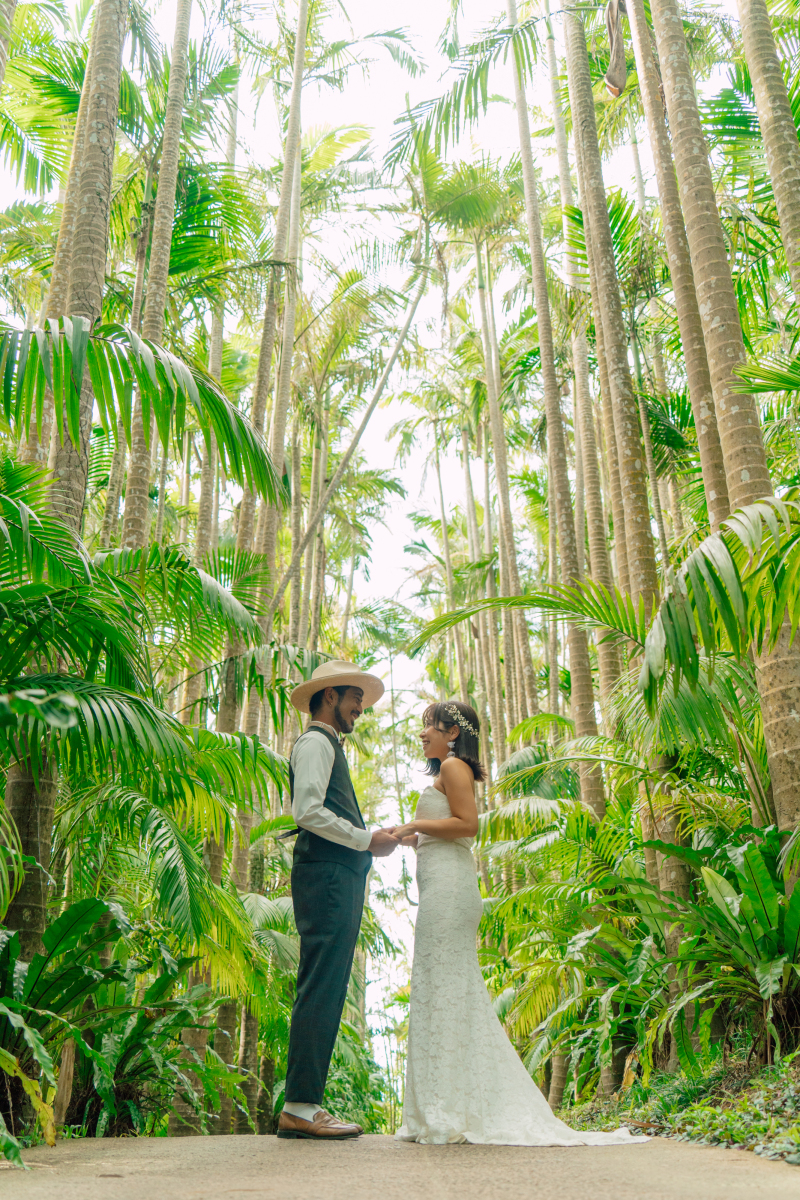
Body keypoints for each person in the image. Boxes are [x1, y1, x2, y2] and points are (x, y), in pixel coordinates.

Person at [389, 700, 649, 1147]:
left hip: (450, 890)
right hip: (440, 884)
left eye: (428, 726)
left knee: (447, 986)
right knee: (441, 987)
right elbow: (446, 825)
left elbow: (467, 825)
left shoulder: (453, 766)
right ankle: (442, 1104)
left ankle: (448, 1108)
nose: (422, 734)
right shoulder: (447, 768)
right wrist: (409, 835)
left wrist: (415, 822)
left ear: (452, 732)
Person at [277, 660, 400, 1141]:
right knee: (321, 986)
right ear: (330, 696)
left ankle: (304, 1105)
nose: (360, 710)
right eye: (356, 700)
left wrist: (369, 840)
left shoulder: (328, 745)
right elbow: (306, 811)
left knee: (326, 986)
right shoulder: (315, 742)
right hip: (327, 877)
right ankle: (300, 1107)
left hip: (336, 877)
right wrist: (365, 838)